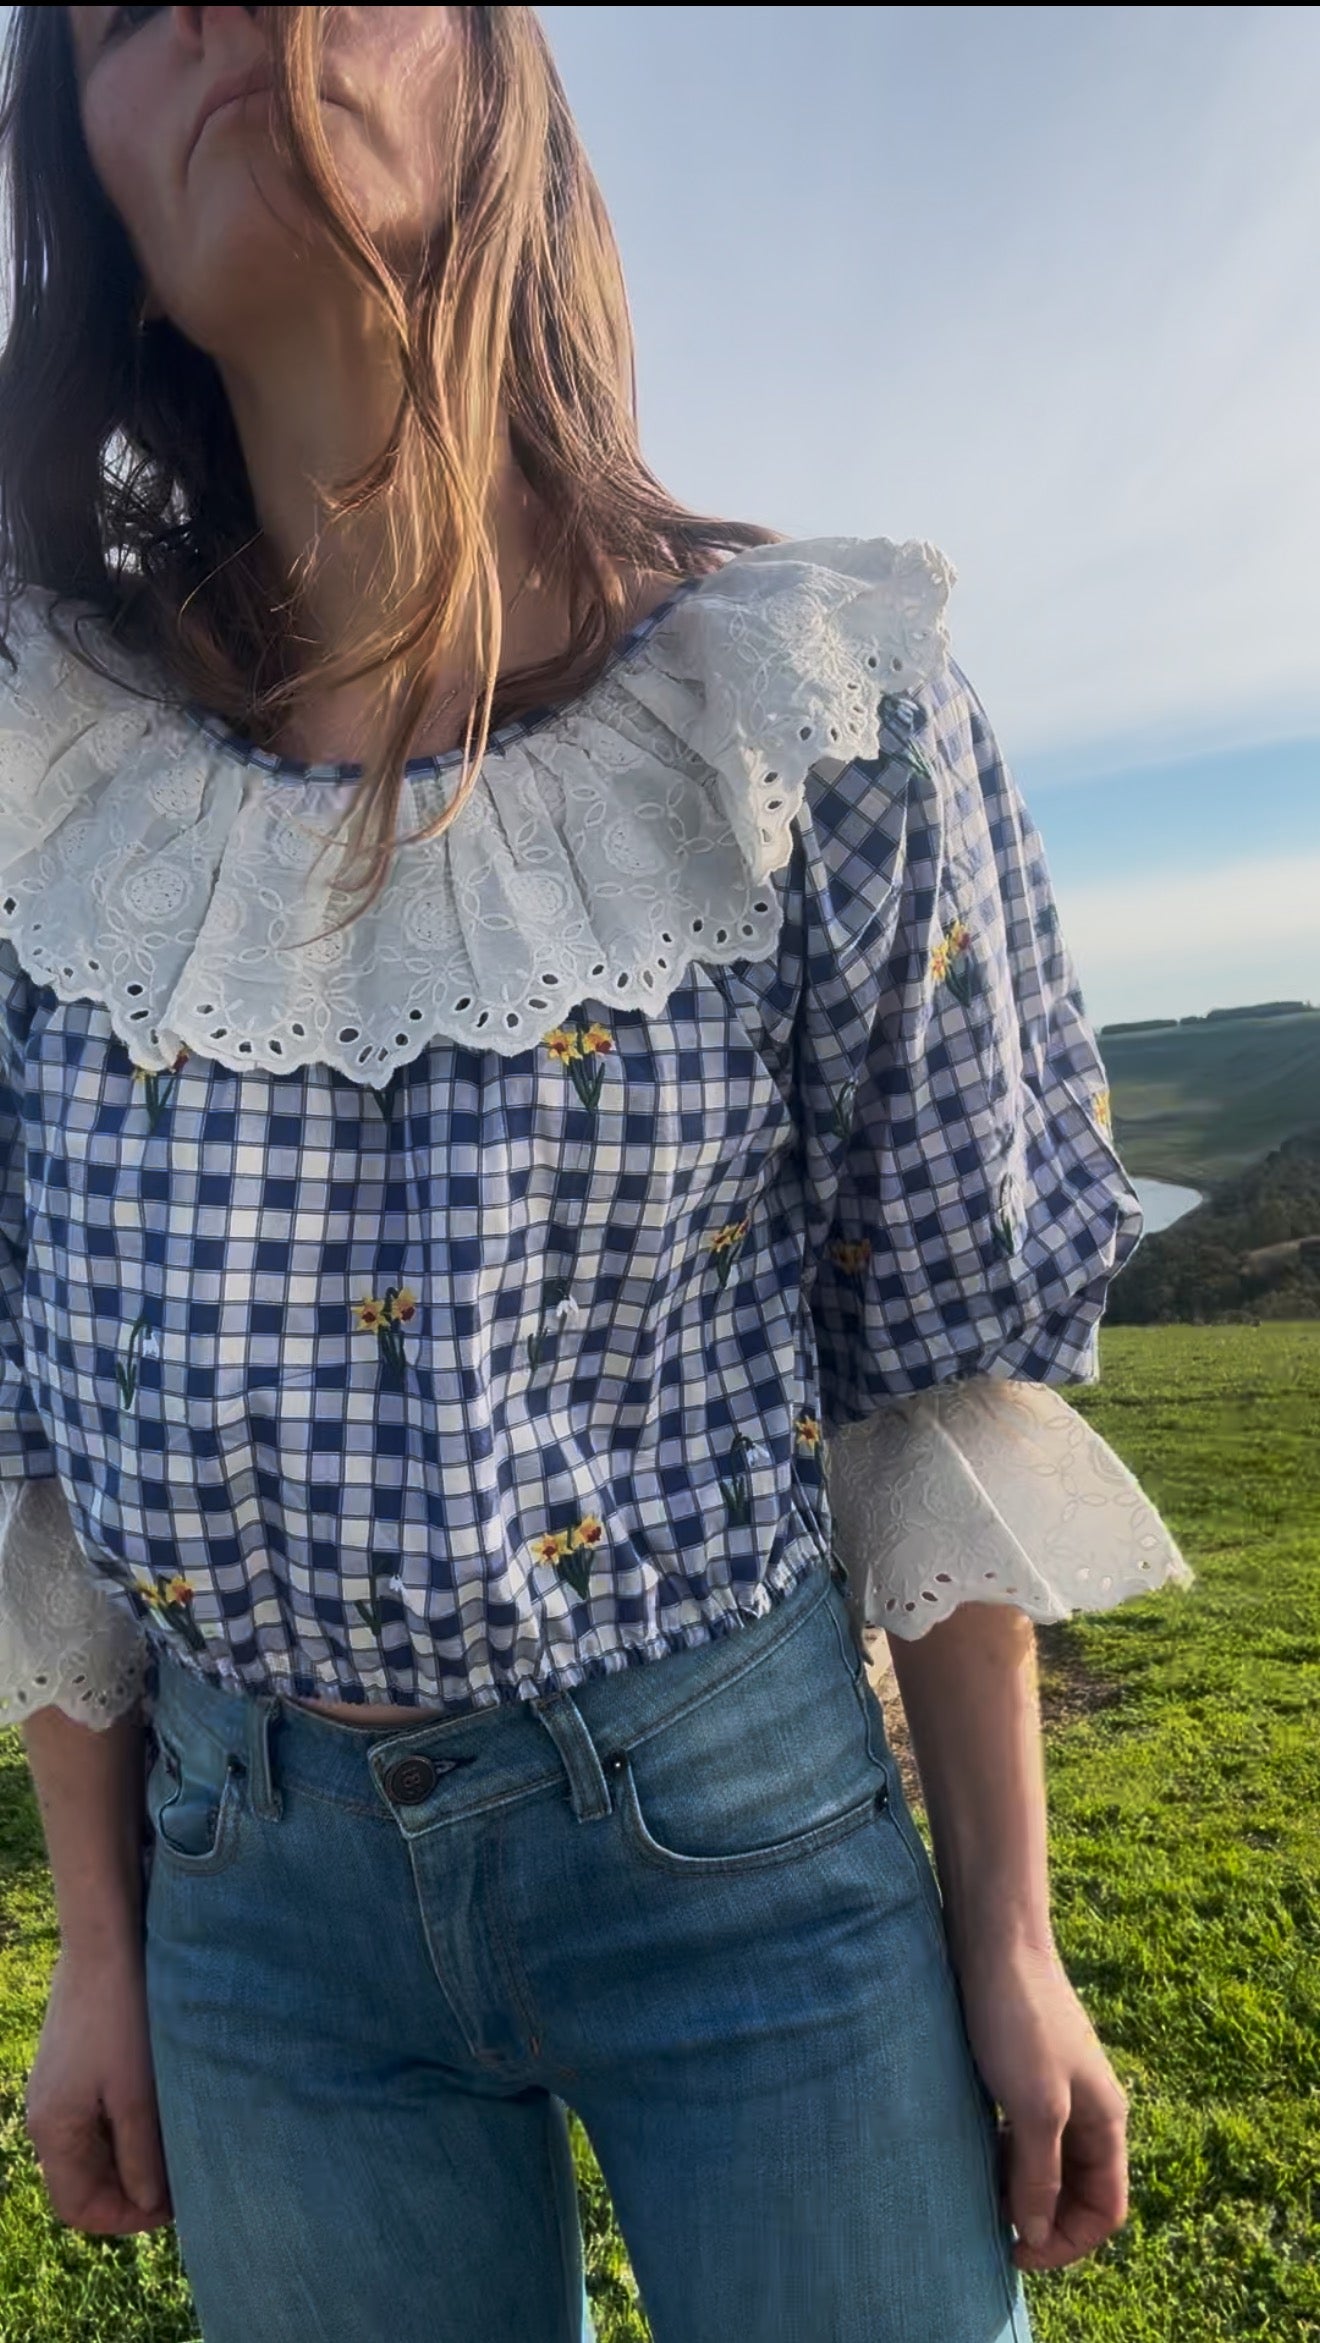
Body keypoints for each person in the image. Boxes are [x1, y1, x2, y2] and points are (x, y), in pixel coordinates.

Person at [0, 9, 1195, 2342]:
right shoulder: (45, 786)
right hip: (256, 1906)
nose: (240, 17)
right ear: (105, 207)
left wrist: (1012, 1936)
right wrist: (99, 1946)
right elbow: (40, 1423)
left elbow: (931, 1381)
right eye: (135, 6)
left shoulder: (805, 714)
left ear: (496, 86)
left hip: (740, 1842)